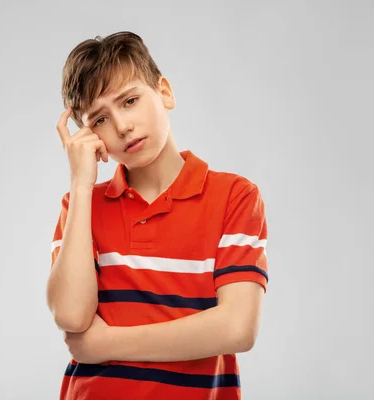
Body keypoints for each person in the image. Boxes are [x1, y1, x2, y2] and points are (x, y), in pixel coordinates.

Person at [46, 31, 269, 400]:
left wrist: (105, 345)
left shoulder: (234, 196)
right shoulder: (79, 206)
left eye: (130, 100)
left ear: (164, 92)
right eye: (99, 120)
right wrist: (81, 183)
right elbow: (70, 316)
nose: (121, 126)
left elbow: (237, 328)